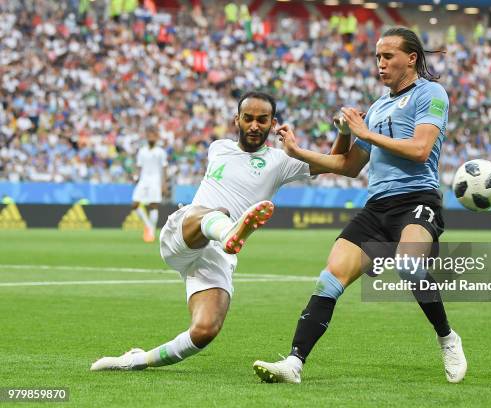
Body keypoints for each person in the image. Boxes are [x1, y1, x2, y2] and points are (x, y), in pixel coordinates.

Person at [253, 27, 467, 384]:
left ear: (411, 58)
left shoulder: (431, 94)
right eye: (377, 57)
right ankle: (294, 363)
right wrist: (300, 149)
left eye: (388, 56)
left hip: (417, 199)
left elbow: (420, 150)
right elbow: (349, 166)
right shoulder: (378, 106)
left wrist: (365, 132)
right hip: (376, 207)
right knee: (329, 278)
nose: (380, 64)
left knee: (410, 265)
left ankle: (447, 338)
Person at [91, 92, 319, 371]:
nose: (254, 126)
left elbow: (340, 163)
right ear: (237, 119)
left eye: (262, 120)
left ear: (274, 124)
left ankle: (136, 360)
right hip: (187, 230)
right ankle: (230, 231)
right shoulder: (218, 147)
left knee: (205, 330)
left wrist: (338, 134)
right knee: (212, 213)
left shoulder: (282, 161)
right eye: (248, 118)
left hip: (218, 254)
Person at [130, 130, 168, 243]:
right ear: (147, 137)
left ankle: (150, 232)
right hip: (143, 180)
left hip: (155, 181)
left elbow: (164, 167)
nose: (151, 138)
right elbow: (139, 166)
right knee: (135, 204)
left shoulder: (160, 152)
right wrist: (136, 177)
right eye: (149, 136)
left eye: (153, 136)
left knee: (153, 205)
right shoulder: (142, 151)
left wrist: (164, 184)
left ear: (156, 137)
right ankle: (149, 226)